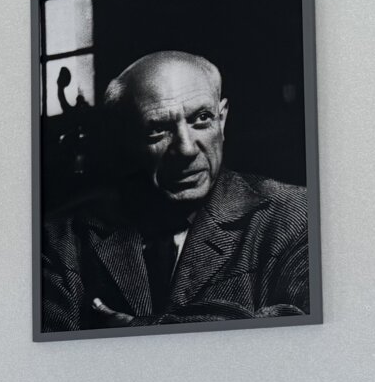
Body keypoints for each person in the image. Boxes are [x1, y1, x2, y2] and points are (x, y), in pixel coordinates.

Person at [40, 51, 310, 331]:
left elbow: (297, 331)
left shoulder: (296, 215)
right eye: (157, 129)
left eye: (202, 118)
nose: (186, 149)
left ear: (222, 120)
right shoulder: (62, 238)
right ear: (123, 138)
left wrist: (141, 328)